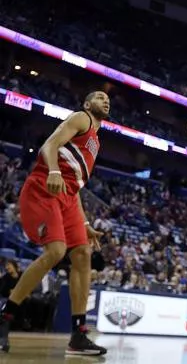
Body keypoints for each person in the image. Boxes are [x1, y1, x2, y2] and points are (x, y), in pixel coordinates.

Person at [0, 92, 110, 356]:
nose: (105, 100)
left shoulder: (96, 139)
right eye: (99, 97)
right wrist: (53, 170)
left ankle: (78, 335)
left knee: (83, 254)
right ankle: (6, 316)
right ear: (86, 104)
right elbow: (48, 146)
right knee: (57, 251)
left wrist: (84, 222)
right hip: (44, 186)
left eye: (108, 99)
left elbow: (75, 188)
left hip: (68, 196)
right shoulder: (80, 118)